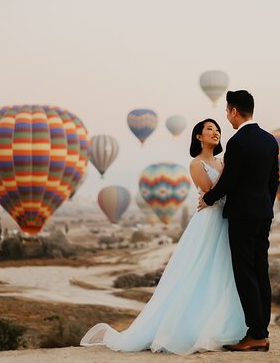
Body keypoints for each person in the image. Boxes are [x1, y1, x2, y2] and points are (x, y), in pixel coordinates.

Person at [80, 118, 247, 355]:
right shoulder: (196, 164)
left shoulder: (222, 161)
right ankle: (189, 329)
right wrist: (228, 182)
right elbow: (212, 194)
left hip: (226, 221)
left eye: (218, 129)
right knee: (199, 271)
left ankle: (220, 326)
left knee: (224, 272)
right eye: (210, 129)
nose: (216, 132)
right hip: (209, 222)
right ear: (198, 136)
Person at [199, 89, 280, 352]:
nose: (226, 116)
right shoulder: (270, 141)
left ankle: (255, 334)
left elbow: (230, 181)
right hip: (263, 214)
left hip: (243, 216)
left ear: (234, 111)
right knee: (261, 270)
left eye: (227, 111)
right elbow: (273, 180)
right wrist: (266, 204)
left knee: (245, 273)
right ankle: (262, 331)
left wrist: (209, 198)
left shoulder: (237, 143)